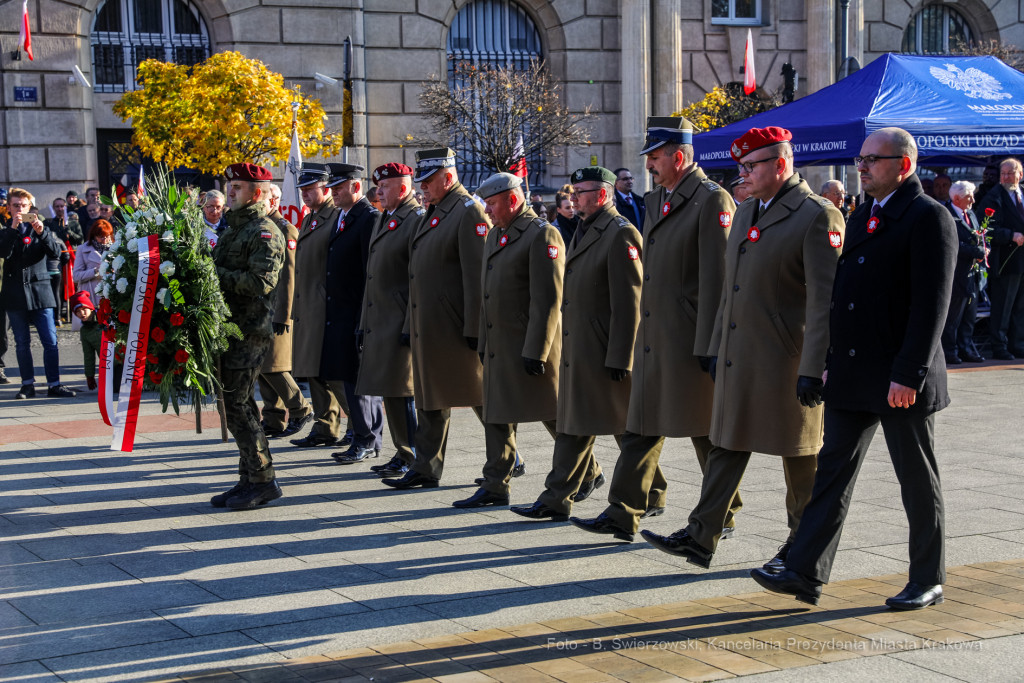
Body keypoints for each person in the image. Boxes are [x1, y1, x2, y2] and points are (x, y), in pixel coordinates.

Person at [751, 128, 957, 611]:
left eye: (872, 160)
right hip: (853, 373)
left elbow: (932, 305)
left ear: (902, 165)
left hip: (899, 378)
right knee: (831, 475)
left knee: (917, 480)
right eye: (861, 159)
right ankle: (805, 572)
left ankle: (928, 577)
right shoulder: (865, 213)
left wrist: (910, 373)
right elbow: (845, 300)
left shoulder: (928, 217)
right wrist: (826, 362)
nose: (861, 167)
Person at [641, 126, 844, 571]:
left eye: (751, 166)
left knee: (799, 454)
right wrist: (715, 345)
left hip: (787, 359)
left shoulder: (816, 215)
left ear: (782, 164)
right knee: (726, 445)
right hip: (740, 354)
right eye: (741, 167)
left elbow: (824, 300)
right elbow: (728, 290)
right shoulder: (748, 211)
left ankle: (802, 546)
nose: (743, 174)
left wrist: (814, 366)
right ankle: (702, 535)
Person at [569, 117, 734, 543]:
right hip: (655, 335)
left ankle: (724, 510)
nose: (649, 166)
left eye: (656, 157)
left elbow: (717, 277)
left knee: (703, 429)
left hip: (691, 338)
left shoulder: (712, 200)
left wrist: (710, 343)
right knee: (642, 423)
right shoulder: (660, 197)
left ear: (679, 157)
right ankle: (624, 512)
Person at [421, 171, 564, 508]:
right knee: (498, 415)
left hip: (527, 344)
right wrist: (482, 340)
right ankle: (496, 484)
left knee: (553, 413)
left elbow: (548, 300)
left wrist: (537, 350)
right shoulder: (499, 233)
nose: (486, 210)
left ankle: (586, 469)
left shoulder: (542, 235)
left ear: (513, 200)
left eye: (492, 203)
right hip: (499, 344)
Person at [512, 166, 642, 522]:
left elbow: (630, 302)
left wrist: (621, 355)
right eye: (573, 192)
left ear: (601, 195)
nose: (573, 198)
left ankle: (653, 490)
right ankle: (556, 498)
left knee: (626, 429)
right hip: (581, 346)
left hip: (604, 351)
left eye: (581, 192)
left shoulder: (620, 233)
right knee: (573, 425)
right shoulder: (585, 229)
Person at [377, 148, 489, 481]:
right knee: (431, 399)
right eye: (421, 181)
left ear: (448, 177)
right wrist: (412, 323)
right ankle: (426, 467)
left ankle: (507, 458)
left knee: (480, 396)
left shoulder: (468, 211)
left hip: (455, 327)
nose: (422, 187)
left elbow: (477, 274)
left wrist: (474, 326)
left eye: (428, 181)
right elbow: (419, 275)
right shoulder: (437, 209)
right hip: (432, 325)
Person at [210, 162, 286, 509]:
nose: (230, 191)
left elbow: (260, 283)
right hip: (228, 329)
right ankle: (249, 478)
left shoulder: (264, 231)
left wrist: (214, 273)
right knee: (236, 405)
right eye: (230, 186)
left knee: (237, 405)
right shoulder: (233, 228)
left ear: (256, 193)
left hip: (248, 331)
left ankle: (263, 481)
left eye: (237, 187)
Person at [355, 163, 422, 483]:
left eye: (385, 186)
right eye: (377, 187)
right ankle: (402, 450)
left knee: (403, 392)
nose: (378, 192)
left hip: (399, 321)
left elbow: (416, 279)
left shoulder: (414, 219)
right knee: (391, 391)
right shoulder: (387, 216)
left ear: (404, 187)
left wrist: (409, 324)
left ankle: (412, 454)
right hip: (380, 319)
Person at [322, 163, 386, 465]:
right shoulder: (343, 216)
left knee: (358, 380)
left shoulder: (368, 217)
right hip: (342, 310)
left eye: (338, 187)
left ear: (355, 187)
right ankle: (367, 437)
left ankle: (366, 438)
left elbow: (368, 272)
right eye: (332, 188)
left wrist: (364, 317)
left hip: (356, 312)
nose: (332, 193)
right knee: (351, 378)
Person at [290, 163, 352, 449]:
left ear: (325, 188)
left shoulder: (336, 216)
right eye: (301, 188)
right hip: (309, 305)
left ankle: (357, 424)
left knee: (334, 372)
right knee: (313, 369)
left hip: (326, 304)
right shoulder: (310, 218)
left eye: (309, 188)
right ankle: (325, 426)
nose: (304, 193)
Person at [0, 189, 76, 398]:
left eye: (24, 206)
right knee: (22, 342)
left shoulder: (43, 228)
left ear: (30, 207)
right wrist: (14, 228)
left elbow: (54, 253)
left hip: (41, 292)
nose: (20, 210)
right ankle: (27, 385)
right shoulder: (5, 230)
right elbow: (2, 252)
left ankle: (54, 384)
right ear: (8, 208)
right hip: (15, 294)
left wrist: (42, 233)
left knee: (50, 341)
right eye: (16, 206)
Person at [258, 184, 313, 439]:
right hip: (259, 310)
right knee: (262, 366)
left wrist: (284, 313)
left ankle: (300, 408)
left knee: (274, 365)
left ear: (275, 201)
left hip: (277, 311)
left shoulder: (285, 229)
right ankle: (273, 419)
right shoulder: (259, 228)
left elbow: (290, 275)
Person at [976, 158, 1024, 360]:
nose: (1005, 177)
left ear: (1020, 174)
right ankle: (999, 345)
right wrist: (1010, 235)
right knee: (1003, 307)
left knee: (1020, 307)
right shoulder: (993, 197)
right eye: (1003, 173)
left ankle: (1017, 344)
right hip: (1005, 260)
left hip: (1022, 261)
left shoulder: (1021, 193)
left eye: (1010, 173)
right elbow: (984, 229)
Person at [942, 181, 987, 365]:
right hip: (956, 275)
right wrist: (977, 252)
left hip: (973, 275)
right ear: (957, 198)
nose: (973, 200)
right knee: (953, 318)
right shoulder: (947, 215)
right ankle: (949, 351)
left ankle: (966, 349)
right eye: (970, 197)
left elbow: (980, 236)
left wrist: (985, 248)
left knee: (969, 316)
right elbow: (951, 243)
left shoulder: (970, 213)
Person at [71, 219, 114, 344]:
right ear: (94, 236)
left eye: (107, 236)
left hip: (112, 295)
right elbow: (76, 276)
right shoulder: (82, 249)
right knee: (97, 337)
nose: (105, 240)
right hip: (93, 299)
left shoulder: (117, 248)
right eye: (101, 237)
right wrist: (95, 272)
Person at [70, 290, 103, 391]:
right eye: (78, 311)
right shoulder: (84, 331)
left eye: (84, 309)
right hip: (107, 366)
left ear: (91, 308)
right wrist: (90, 375)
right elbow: (88, 355)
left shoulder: (104, 318)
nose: (82, 313)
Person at [613, 167, 646, 232]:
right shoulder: (612, 202)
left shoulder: (640, 201)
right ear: (616, 183)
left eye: (631, 178)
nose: (630, 182)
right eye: (625, 179)